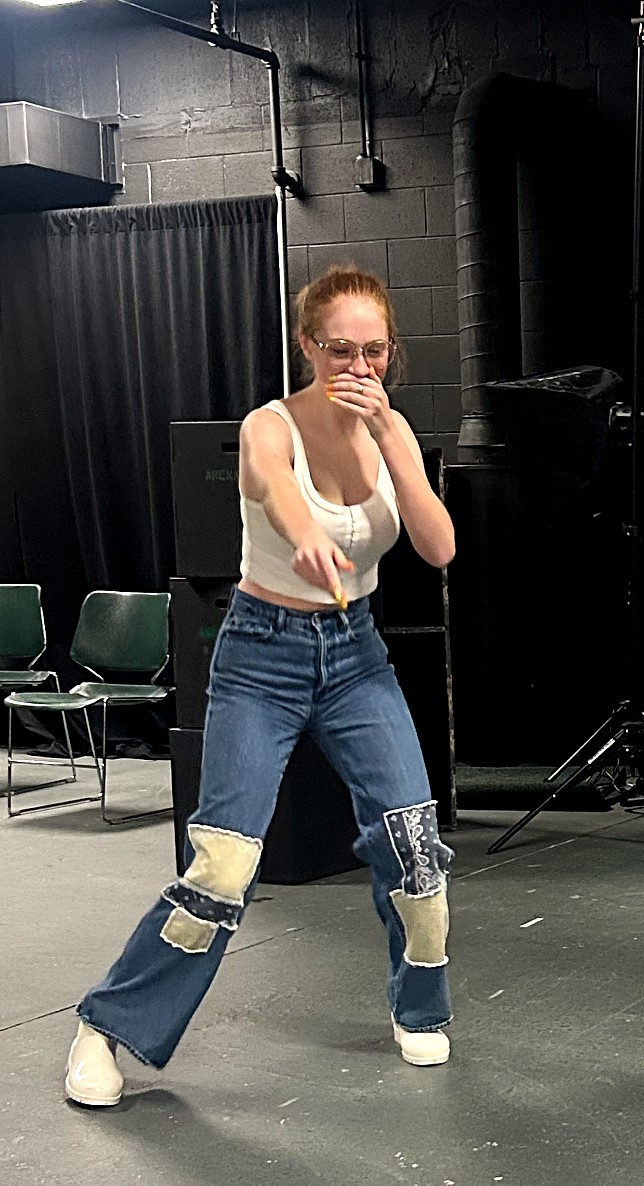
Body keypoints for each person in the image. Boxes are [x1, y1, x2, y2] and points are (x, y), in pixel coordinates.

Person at [64, 266, 458, 1106]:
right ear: (308, 345)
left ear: (392, 353)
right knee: (223, 865)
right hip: (261, 656)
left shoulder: (393, 429)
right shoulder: (267, 426)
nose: (358, 365)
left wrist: (394, 441)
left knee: (415, 846)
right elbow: (276, 488)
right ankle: (107, 1027)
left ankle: (420, 1009)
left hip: (356, 658)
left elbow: (438, 545)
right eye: (340, 348)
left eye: (375, 350)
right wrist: (305, 534)